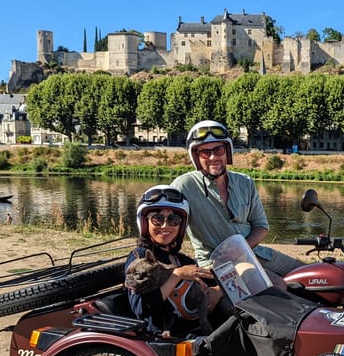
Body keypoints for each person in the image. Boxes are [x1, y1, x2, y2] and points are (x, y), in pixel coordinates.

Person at [170, 120, 304, 285]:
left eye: (218, 149)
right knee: (275, 284)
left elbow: (261, 226)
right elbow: (166, 223)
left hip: (256, 253)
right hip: (216, 264)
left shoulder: (245, 182)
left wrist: (240, 250)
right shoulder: (183, 186)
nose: (213, 157)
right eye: (205, 152)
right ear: (196, 156)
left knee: (310, 274)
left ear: (227, 151)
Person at [125, 185, 227, 338]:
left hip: (193, 326)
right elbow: (141, 308)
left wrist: (220, 289)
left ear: (181, 225)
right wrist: (177, 274)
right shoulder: (140, 257)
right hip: (164, 336)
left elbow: (210, 279)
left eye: (173, 220)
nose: (165, 226)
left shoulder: (179, 258)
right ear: (145, 222)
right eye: (157, 219)